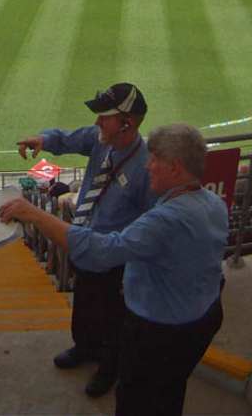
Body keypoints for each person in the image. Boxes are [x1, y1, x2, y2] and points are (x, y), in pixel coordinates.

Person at [0, 123, 226, 416]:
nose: (148, 165)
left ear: (176, 168)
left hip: (161, 333)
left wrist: (34, 214)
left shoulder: (166, 220)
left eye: (156, 160)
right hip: (202, 317)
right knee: (169, 390)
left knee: (135, 399)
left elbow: (101, 252)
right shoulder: (213, 203)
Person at [14, 82, 154, 398]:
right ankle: (85, 347)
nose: (96, 123)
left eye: (104, 117)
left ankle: (109, 366)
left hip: (114, 258)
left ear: (127, 123)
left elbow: (150, 221)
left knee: (113, 315)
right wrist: (43, 139)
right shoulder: (101, 140)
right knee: (85, 302)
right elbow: (68, 138)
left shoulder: (146, 167)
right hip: (83, 243)